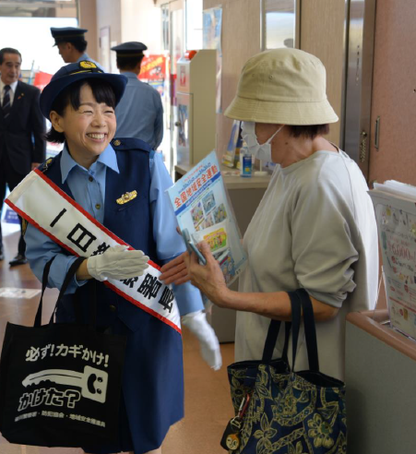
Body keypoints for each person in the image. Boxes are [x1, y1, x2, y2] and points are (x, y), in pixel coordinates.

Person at [23, 60, 222, 454]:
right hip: (84, 328)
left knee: (148, 436)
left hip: (147, 325)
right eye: (86, 110)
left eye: (108, 110)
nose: (101, 121)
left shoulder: (144, 163)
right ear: (58, 121)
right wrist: (86, 267)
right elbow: (41, 261)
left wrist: (194, 314)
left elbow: (171, 248)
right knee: (98, 437)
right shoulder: (42, 186)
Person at [161, 49, 380, 381]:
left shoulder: (320, 185)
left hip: (302, 378)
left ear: (282, 120)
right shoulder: (293, 167)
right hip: (272, 361)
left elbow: (322, 303)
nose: (246, 131)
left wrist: (226, 297)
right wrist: (213, 253)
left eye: (252, 120)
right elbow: (277, 257)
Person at [0, 47, 45, 266]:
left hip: (21, 159)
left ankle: (23, 251)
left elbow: (39, 129)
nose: (13, 70)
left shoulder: (31, 92)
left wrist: (37, 159)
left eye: (17, 65)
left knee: (24, 207)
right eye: (9, 65)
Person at [111, 42, 163, 150]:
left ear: (117, 64)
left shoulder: (109, 91)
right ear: (139, 65)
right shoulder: (152, 94)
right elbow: (158, 133)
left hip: (114, 157)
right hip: (144, 157)